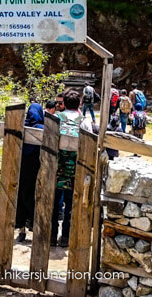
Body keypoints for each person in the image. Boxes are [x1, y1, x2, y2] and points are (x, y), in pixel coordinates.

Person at [52, 90, 93, 247]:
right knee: (71, 204)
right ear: (80, 104)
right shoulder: (84, 121)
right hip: (75, 170)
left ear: (63, 104)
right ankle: (65, 238)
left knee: (54, 204)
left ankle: (51, 235)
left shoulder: (56, 118)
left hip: (56, 168)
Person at [15, 103, 44, 242]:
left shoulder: (21, 126)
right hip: (37, 170)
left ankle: (21, 229)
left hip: (20, 168)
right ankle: (34, 224)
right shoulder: (42, 128)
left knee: (21, 197)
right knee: (35, 197)